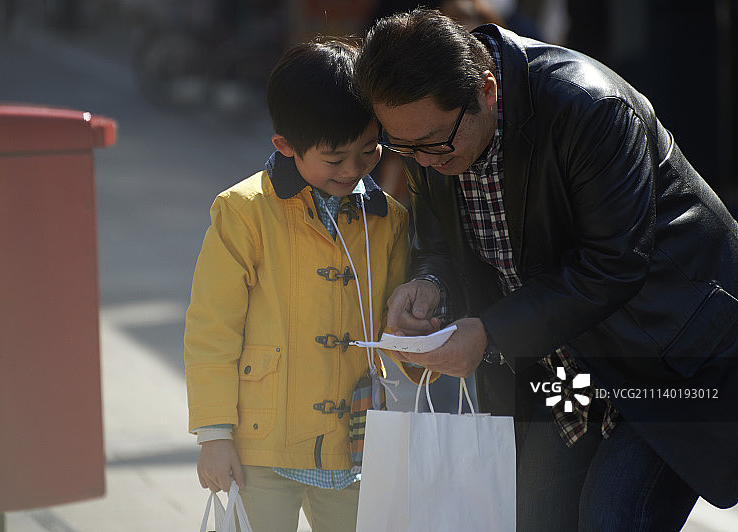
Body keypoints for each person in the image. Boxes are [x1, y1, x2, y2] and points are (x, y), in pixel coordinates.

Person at [354, 8, 738, 531]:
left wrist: (489, 334)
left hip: (666, 357)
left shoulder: (588, 106)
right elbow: (440, 245)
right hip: (567, 363)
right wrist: (430, 284)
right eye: (404, 147)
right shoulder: (432, 137)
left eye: (436, 143)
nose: (422, 162)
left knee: (613, 516)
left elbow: (612, 265)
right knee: (535, 517)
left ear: (486, 91)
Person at [183, 39, 410, 532]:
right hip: (261, 445)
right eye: (334, 159)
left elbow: (397, 330)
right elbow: (211, 326)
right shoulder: (243, 212)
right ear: (284, 145)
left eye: (369, 151)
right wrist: (214, 434)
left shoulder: (389, 220)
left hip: (359, 442)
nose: (353, 170)